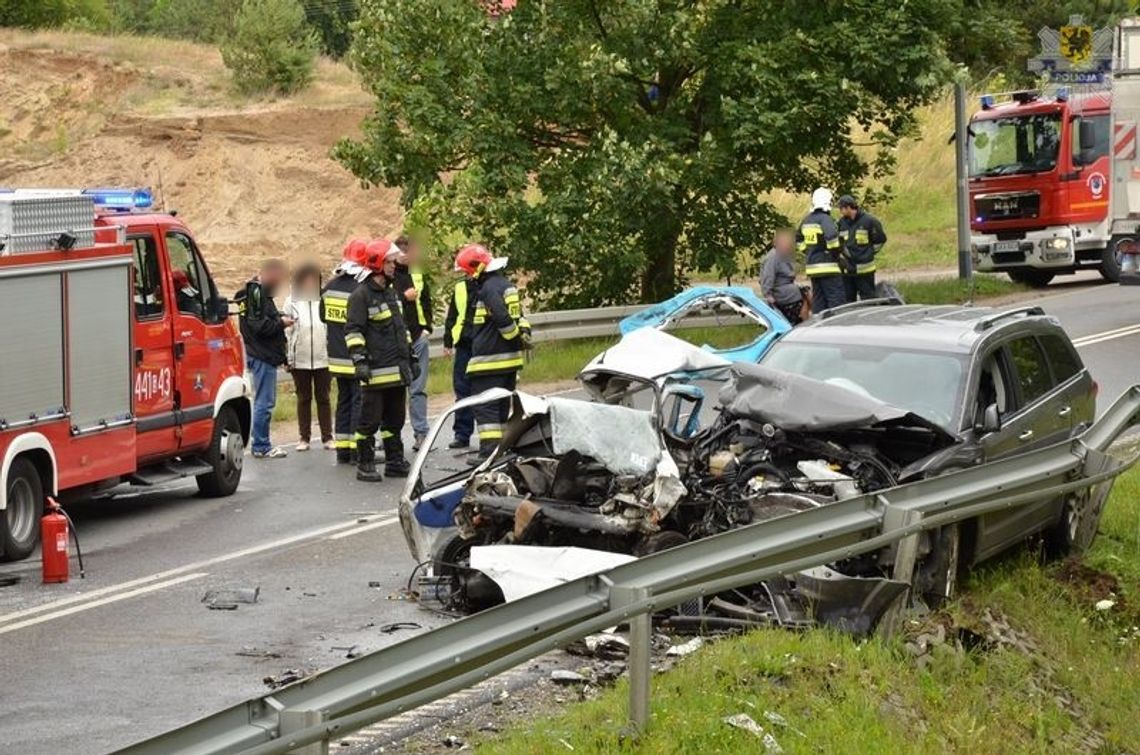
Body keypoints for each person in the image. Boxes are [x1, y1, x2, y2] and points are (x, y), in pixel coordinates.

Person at [345, 239, 415, 482]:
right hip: (375, 372)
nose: (394, 265)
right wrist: (360, 362)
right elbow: (353, 332)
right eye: (390, 261)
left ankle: (394, 461)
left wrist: (410, 356)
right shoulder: (360, 296)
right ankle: (364, 463)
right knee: (369, 421)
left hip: (397, 371)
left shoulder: (391, 294)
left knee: (394, 420)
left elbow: (401, 329)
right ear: (377, 263)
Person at [456, 244, 531, 462]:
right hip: (508, 362)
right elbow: (520, 318)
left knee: (486, 409)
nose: (468, 277)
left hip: (489, 362)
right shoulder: (506, 285)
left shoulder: (488, 289)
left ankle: (488, 454)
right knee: (500, 409)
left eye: (467, 272)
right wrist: (521, 336)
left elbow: (502, 318)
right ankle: (500, 451)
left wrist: (512, 337)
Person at [236, 258, 292, 459]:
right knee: (264, 403)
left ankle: (261, 442)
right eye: (279, 279)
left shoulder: (257, 294)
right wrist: (281, 323)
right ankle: (261, 444)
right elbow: (259, 327)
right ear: (270, 274)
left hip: (261, 353)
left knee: (263, 402)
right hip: (261, 355)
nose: (279, 284)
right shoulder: (256, 294)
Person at [322, 240, 370, 464]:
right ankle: (355, 450)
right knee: (359, 402)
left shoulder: (329, 287)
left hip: (335, 356)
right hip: (354, 356)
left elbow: (324, 317)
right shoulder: (361, 289)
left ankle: (342, 449)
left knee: (344, 401)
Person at [285, 263, 332, 452]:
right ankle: (304, 438)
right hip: (300, 358)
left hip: (323, 357)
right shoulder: (291, 302)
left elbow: (330, 327)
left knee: (324, 398)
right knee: (303, 398)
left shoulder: (324, 300)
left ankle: (327, 437)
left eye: (314, 279)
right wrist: (288, 356)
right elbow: (287, 331)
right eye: (307, 279)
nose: (310, 283)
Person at [392, 236, 434, 451]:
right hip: (396, 343)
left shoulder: (417, 274)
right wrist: (402, 296)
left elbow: (427, 301)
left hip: (417, 338)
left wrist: (428, 328)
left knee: (418, 389)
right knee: (394, 391)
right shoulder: (388, 276)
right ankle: (391, 438)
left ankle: (421, 434)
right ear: (400, 254)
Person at [442, 262, 478, 449]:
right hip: (464, 344)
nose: (465, 273)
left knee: (484, 391)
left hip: (483, 345)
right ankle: (462, 435)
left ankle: (491, 437)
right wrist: (448, 341)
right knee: (463, 391)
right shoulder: (461, 288)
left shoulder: (489, 286)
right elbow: (453, 316)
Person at [797, 187, 846, 314]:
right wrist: (835, 254)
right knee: (837, 302)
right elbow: (831, 237)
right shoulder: (825, 219)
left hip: (813, 268)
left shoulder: (806, 220)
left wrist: (808, 251)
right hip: (829, 267)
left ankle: (820, 329)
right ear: (828, 202)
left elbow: (798, 239)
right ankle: (837, 329)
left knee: (819, 303)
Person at [837, 195, 887, 302]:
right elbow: (840, 243)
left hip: (865, 271)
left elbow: (880, 240)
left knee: (868, 300)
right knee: (848, 301)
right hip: (848, 270)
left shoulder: (869, 221)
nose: (840, 211)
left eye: (841, 208)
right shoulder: (841, 223)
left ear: (848, 207)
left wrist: (869, 253)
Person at [759, 228, 808, 325]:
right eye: (787, 243)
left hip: (787, 288)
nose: (790, 246)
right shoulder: (773, 257)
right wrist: (767, 295)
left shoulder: (784, 255)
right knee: (805, 296)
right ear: (777, 243)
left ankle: (805, 321)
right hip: (780, 292)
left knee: (807, 294)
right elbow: (767, 278)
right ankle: (804, 323)